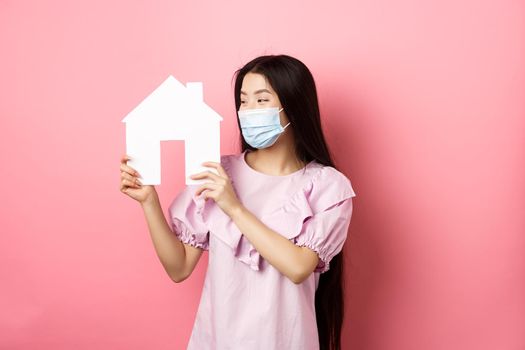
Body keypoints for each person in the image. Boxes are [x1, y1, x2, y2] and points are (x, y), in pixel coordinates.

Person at [119, 54, 356, 350]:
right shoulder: (217, 173)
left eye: (261, 100)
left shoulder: (328, 187)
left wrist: (233, 207)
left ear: (294, 106)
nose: (248, 111)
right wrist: (149, 201)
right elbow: (178, 268)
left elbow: (298, 267)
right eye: (243, 101)